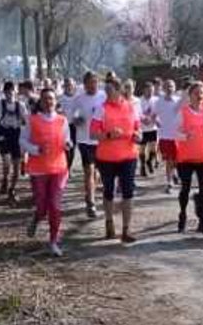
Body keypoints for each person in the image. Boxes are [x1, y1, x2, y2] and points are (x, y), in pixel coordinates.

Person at [20, 87, 73, 256]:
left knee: (55, 205)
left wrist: (68, 145)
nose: (49, 102)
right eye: (45, 99)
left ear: (55, 101)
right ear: (41, 102)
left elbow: (67, 139)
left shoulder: (62, 120)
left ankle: (53, 240)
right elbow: (22, 140)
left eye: (51, 99)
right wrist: (35, 149)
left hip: (59, 167)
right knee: (42, 207)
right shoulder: (32, 120)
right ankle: (36, 218)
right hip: (39, 170)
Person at [90, 74, 142, 243]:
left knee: (128, 192)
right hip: (107, 157)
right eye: (105, 90)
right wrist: (108, 134)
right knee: (109, 191)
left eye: (110, 90)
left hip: (128, 155)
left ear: (119, 90)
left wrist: (137, 136)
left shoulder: (131, 107)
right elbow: (93, 134)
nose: (106, 93)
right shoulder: (101, 108)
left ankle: (126, 230)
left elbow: (138, 128)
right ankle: (109, 222)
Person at [175, 82, 203, 234]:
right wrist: (185, 136)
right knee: (185, 188)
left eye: (202, 93)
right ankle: (182, 214)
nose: (199, 96)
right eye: (196, 93)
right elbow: (175, 133)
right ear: (189, 96)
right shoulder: (183, 112)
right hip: (186, 158)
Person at [68, 70, 107, 217]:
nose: (92, 85)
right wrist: (77, 120)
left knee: (97, 173)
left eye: (95, 82)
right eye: (89, 83)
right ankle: (91, 203)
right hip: (84, 139)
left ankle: (89, 192)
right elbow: (71, 117)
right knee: (89, 171)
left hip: (100, 139)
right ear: (84, 85)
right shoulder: (79, 99)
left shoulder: (104, 96)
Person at [0, 80, 27, 203]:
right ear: (4, 93)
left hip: (16, 136)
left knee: (17, 167)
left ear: (15, 92)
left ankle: (12, 189)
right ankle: (5, 178)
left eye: (12, 91)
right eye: (7, 92)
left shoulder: (21, 106)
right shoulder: (0, 104)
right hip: (4, 135)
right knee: (7, 163)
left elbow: (26, 121)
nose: (10, 94)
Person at [154, 79, 182, 194]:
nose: (170, 89)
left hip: (177, 136)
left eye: (171, 86)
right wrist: (156, 122)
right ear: (164, 89)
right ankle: (169, 182)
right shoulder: (159, 102)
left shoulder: (178, 101)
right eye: (167, 86)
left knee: (176, 160)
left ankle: (174, 173)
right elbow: (153, 115)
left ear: (174, 88)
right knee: (169, 160)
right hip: (165, 136)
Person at [137, 81, 159, 178]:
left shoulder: (156, 100)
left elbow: (158, 111)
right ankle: (142, 166)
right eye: (148, 90)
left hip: (153, 127)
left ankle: (149, 161)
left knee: (153, 149)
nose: (150, 92)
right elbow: (137, 112)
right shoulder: (139, 101)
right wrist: (143, 119)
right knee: (142, 149)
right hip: (142, 128)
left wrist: (153, 119)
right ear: (144, 90)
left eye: (152, 91)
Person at [58, 77, 79, 174]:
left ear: (74, 86)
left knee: (73, 148)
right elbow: (57, 111)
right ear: (64, 87)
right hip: (63, 127)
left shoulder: (77, 98)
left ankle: (68, 168)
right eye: (67, 85)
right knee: (66, 148)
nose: (69, 87)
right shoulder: (60, 98)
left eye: (70, 85)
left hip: (74, 126)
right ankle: (65, 168)